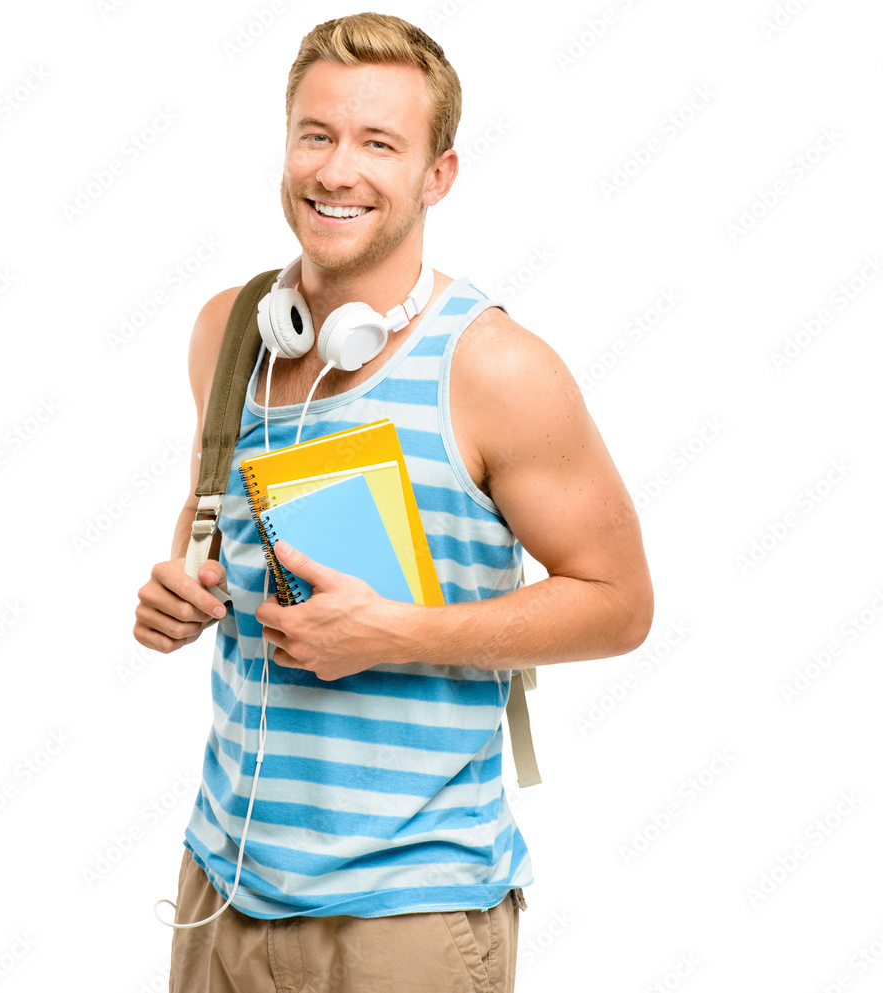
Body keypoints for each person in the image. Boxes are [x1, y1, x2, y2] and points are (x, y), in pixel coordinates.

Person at [134, 12, 653, 992]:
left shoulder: (496, 367)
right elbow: (207, 523)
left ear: (437, 175)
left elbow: (619, 603)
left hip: (406, 916)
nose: (337, 171)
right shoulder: (232, 329)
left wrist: (396, 633)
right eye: (316, 134)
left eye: (380, 144)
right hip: (219, 882)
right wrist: (181, 586)